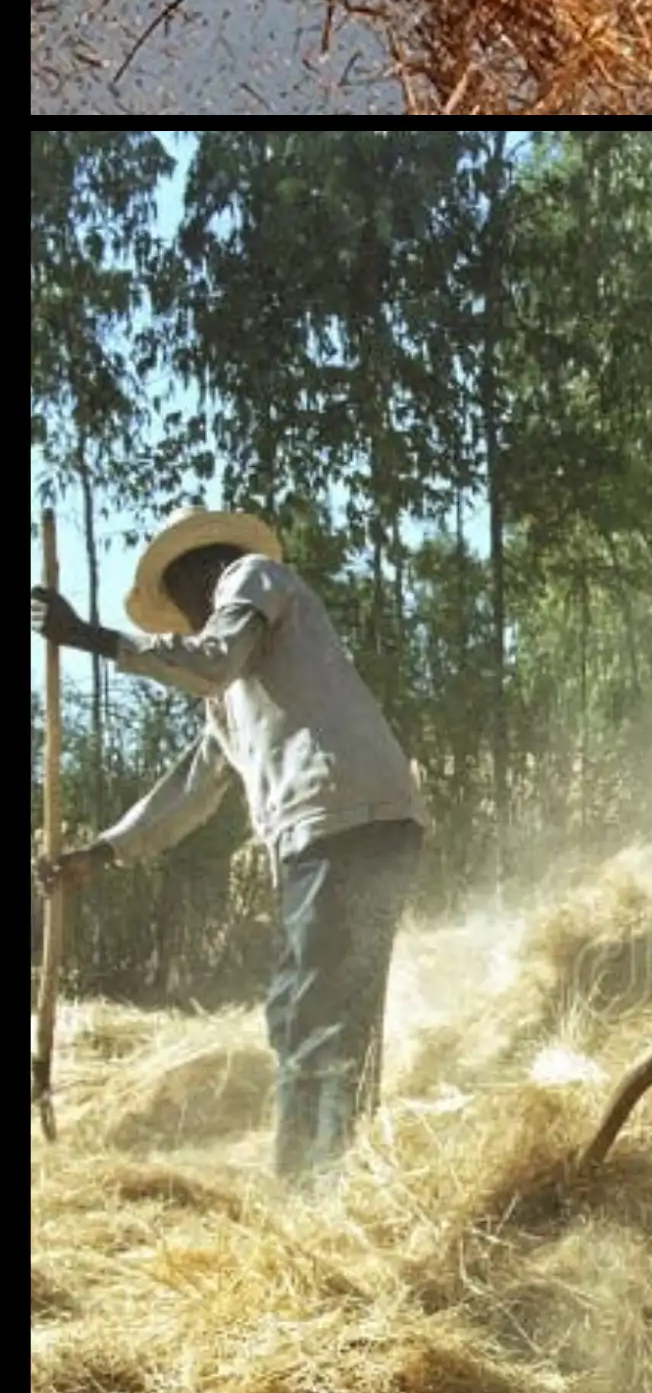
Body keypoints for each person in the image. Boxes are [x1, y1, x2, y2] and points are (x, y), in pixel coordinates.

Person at [34, 507, 426, 1184]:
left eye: (184, 597)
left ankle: (308, 1189)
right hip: (350, 827)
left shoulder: (252, 578)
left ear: (202, 570)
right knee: (327, 1011)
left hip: (342, 821)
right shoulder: (232, 691)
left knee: (312, 1012)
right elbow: (195, 783)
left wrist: (87, 636)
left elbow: (212, 660)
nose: (185, 615)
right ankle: (342, 1177)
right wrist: (101, 854)